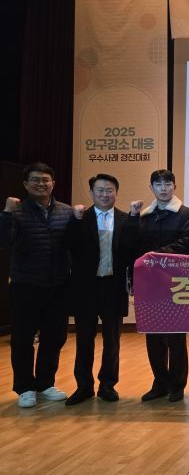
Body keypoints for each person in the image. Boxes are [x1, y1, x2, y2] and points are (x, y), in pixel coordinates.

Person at [0, 162, 73, 408]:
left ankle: (45, 383)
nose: (41, 184)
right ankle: (24, 387)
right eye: (35, 180)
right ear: (25, 184)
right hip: (25, 284)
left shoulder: (66, 211)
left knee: (54, 337)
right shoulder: (16, 211)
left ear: (53, 183)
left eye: (45, 180)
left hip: (58, 285)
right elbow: (4, 242)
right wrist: (6, 213)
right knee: (22, 338)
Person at [126, 169, 189, 403]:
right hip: (149, 284)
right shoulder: (144, 216)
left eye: (167, 183)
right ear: (151, 188)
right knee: (153, 336)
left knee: (175, 337)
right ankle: (160, 383)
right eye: (158, 184)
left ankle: (177, 385)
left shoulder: (187, 214)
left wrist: (155, 256)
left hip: (177, 283)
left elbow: (188, 243)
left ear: (174, 186)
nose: (163, 188)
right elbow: (131, 245)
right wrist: (133, 218)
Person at [65, 174, 133, 405]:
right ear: (92, 193)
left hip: (113, 286)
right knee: (84, 339)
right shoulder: (79, 218)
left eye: (109, 190)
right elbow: (68, 246)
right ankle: (84, 386)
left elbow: (131, 250)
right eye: (100, 190)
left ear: (116, 192)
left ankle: (107, 385)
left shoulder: (125, 219)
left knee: (112, 340)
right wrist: (75, 221)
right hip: (85, 288)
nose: (105, 194)